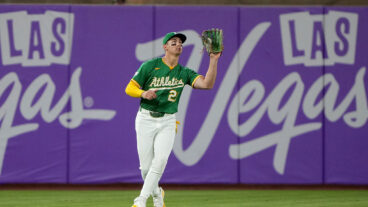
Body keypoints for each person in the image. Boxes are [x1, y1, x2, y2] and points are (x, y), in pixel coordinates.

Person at [125, 31, 221, 207]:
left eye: (180, 43)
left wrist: (213, 60)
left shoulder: (183, 72)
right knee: (146, 169)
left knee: (160, 160)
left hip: (168, 121)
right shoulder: (150, 66)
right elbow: (129, 88)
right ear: (165, 47)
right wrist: (143, 93)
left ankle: (140, 200)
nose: (178, 44)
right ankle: (157, 193)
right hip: (146, 119)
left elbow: (207, 84)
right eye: (174, 42)